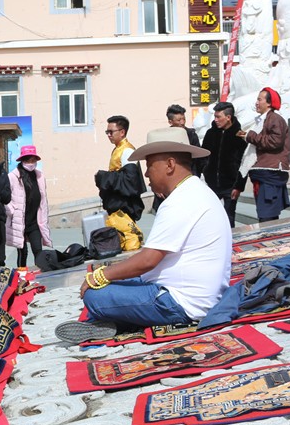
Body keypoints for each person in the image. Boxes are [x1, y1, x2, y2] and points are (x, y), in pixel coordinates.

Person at [56, 128, 230, 345]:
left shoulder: (180, 201)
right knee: (118, 280)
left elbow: (148, 260)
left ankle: (116, 322)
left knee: (95, 295)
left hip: (181, 302)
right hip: (199, 293)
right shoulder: (196, 190)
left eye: (149, 166)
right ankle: (116, 321)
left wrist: (100, 276)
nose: (146, 174)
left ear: (170, 164)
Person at [236, 87, 290, 222]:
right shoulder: (263, 120)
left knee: (267, 215)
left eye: (259, 99)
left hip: (270, 171)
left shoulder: (275, 119)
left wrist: (250, 136)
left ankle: (269, 235)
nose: (256, 103)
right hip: (264, 172)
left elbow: (275, 142)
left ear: (269, 103)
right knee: (267, 215)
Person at [95, 115, 147, 251]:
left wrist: (104, 177)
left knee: (130, 239)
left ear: (122, 132)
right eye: (107, 132)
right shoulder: (117, 149)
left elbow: (130, 180)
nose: (108, 135)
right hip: (116, 203)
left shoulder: (127, 150)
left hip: (124, 205)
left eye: (111, 132)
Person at [5, 145, 52, 268]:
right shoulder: (13, 176)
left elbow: (43, 199)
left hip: (34, 221)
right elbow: (5, 197)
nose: (31, 163)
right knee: (22, 252)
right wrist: (12, 211)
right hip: (19, 220)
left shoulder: (39, 176)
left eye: (33, 160)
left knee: (38, 250)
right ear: (22, 160)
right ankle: (21, 275)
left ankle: (40, 274)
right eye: (28, 160)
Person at [202, 101, 246, 227]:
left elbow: (244, 163)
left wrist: (239, 186)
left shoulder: (240, 135)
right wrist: (206, 170)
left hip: (230, 185)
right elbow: (203, 156)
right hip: (212, 184)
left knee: (229, 217)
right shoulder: (210, 134)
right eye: (214, 116)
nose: (215, 120)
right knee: (211, 218)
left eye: (218, 117)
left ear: (228, 117)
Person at [166, 104, 204, 177]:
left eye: (184, 119)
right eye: (179, 120)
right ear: (170, 122)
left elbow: (198, 157)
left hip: (190, 174)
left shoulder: (192, 134)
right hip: (172, 176)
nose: (182, 122)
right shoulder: (166, 136)